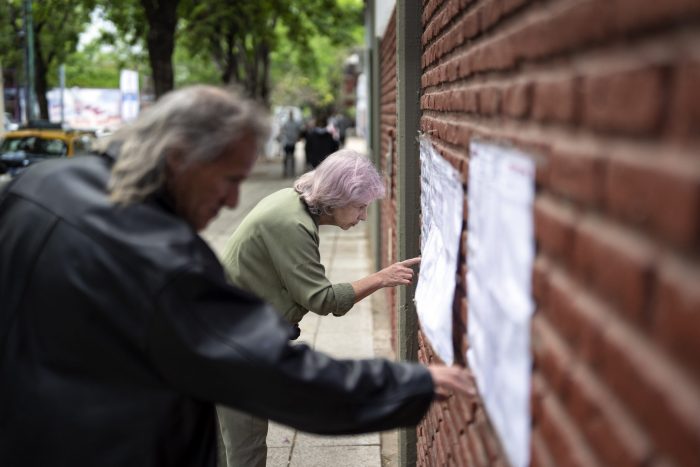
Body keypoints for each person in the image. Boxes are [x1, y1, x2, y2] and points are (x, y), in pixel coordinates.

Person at [0, 85, 474, 467]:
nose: (232, 202)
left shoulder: (36, 186)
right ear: (180, 157)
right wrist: (410, 385)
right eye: (229, 180)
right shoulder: (165, 262)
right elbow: (273, 374)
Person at [217, 149, 422, 467]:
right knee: (247, 447)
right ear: (337, 198)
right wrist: (381, 278)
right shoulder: (292, 224)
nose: (364, 216)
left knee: (225, 440)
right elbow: (323, 299)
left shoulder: (289, 201)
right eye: (360, 206)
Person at [278, 110, 300, 178]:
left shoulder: (295, 123)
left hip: (292, 142)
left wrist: (297, 138)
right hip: (286, 142)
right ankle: (285, 171)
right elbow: (282, 130)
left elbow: (298, 131)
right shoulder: (286, 123)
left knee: (292, 156)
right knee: (286, 156)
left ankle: (292, 171)